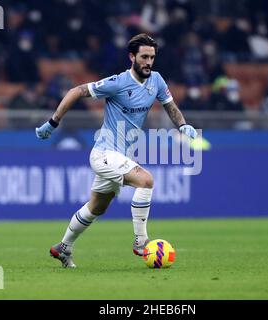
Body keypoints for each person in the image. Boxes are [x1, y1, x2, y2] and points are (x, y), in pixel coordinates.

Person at [35, 33, 197, 268]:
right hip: (103, 153)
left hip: (120, 156)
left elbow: (170, 107)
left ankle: (63, 247)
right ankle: (141, 242)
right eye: (144, 57)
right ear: (132, 57)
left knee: (97, 206)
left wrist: (183, 125)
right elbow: (76, 91)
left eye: (152, 57)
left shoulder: (157, 80)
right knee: (146, 180)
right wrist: (53, 123)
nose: (148, 62)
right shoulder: (118, 82)